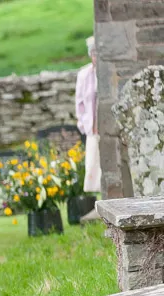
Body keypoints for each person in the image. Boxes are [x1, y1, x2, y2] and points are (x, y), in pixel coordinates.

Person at [76, 36, 101, 193]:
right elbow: (80, 103)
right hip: (92, 127)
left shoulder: (111, 72)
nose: (96, 57)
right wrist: (83, 124)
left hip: (106, 125)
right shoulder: (84, 74)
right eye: (93, 54)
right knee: (93, 163)